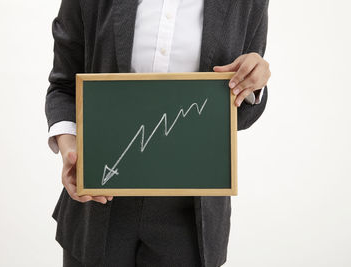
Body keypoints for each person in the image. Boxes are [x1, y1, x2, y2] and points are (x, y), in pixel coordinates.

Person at [45, 0, 271, 266]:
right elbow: (63, 85)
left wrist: (253, 87)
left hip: (191, 218)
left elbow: (241, 116)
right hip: (99, 200)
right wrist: (71, 149)